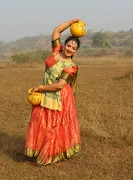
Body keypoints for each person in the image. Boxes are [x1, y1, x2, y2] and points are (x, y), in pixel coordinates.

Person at [24, 19, 82, 166]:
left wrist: (40, 88)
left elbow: (60, 85)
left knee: (54, 124)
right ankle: (38, 148)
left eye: (73, 48)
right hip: (45, 90)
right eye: (68, 45)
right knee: (39, 119)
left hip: (59, 95)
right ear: (64, 45)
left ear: (75, 51)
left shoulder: (71, 66)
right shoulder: (56, 50)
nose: (70, 49)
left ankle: (52, 152)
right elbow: (56, 31)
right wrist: (71, 22)